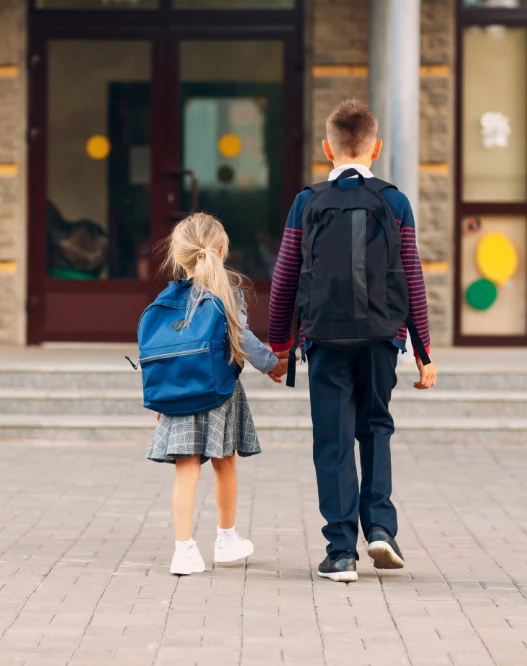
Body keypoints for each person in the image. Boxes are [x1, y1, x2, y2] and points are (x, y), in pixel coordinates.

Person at [268, 99, 438, 583]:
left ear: (327, 149)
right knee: (375, 427)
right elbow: (412, 275)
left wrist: (280, 344)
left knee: (334, 439)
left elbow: (284, 278)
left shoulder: (308, 202)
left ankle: (341, 551)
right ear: (376, 148)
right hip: (383, 336)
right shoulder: (394, 201)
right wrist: (423, 350)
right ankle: (381, 528)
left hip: (323, 338)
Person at [147, 213, 289, 576]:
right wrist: (274, 365)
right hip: (218, 394)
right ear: (222, 251)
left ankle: (184, 550)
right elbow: (244, 340)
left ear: (178, 256)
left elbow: (156, 351)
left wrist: (159, 399)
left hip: (177, 395)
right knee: (225, 465)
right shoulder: (228, 294)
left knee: (186, 470)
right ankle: (226, 540)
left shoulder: (166, 300)